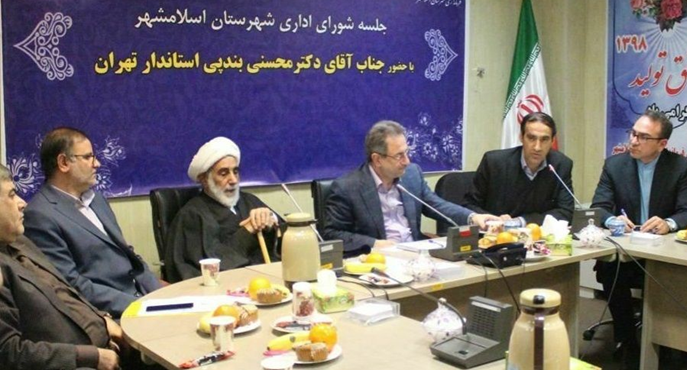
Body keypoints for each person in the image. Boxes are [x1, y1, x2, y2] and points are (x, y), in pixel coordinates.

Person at [591, 110, 687, 368]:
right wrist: (612, 220)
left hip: (663, 253)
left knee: (672, 277)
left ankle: (666, 341)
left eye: (643, 137)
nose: (633, 141)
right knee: (608, 268)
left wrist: (668, 223)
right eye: (633, 133)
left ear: (662, 144)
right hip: (627, 251)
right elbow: (599, 207)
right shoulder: (614, 165)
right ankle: (626, 337)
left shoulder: (680, 166)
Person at [23, 127, 162, 318]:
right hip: (108, 314)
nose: (97, 163)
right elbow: (71, 285)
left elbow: (128, 255)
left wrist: (160, 296)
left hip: (143, 299)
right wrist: (140, 306)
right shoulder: (40, 215)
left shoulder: (97, 200)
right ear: (64, 163)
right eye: (88, 157)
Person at [0, 164, 122, 370]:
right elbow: (9, 353)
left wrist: (100, 318)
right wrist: (91, 356)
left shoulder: (19, 241)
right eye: (12, 195)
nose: (22, 203)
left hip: (104, 338)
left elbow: (63, 290)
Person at [323, 120, 499, 254]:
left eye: (407, 152)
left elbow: (436, 205)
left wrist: (473, 218)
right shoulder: (347, 187)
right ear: (377, 160)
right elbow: (332, 233)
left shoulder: (411, 175)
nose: (407, 161)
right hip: (377, 261)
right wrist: (374, 243)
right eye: (399, 156)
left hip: (416, 254)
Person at [165, 137, 280, 282]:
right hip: (231, 288)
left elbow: (284, 239)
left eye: (235, 172)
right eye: (224, 173)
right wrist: (247, 231)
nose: (233, 180)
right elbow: (212, 266)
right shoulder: (192, 215)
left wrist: (271, 221)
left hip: (269, 282)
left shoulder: (249, 200)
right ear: (204, 179)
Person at [465, 112, 574, 224]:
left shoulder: (561, 165)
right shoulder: (494, 163)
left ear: (552, 141)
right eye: (531, 138)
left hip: (538, 233)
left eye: (544, 139)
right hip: (496, 232)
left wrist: (520, 221)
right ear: (521, 137)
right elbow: (469, 206)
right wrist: (493, 220)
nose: (537, 147)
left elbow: (565, 211)